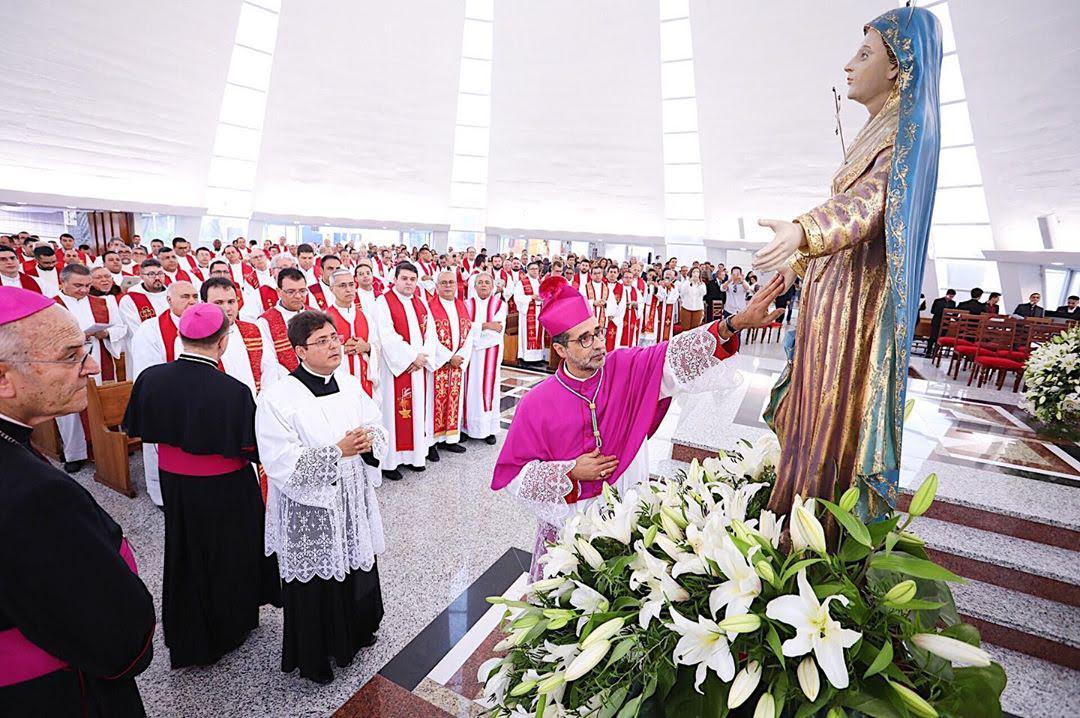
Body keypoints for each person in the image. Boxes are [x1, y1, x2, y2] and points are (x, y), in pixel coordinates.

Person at [754, 7, 942, 522]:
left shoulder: (908, 129)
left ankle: (822, 532)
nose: (848, 65)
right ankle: (794, 513)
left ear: (898, 66)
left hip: (855, 305)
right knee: (810, 410)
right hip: (833, 292)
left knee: (829, 414)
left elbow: (872, 203)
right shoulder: (879, 128)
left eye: (864, 55)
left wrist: (804, 229)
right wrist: (802, 262)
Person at [493, 276, 784, 577]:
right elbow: (513, 475)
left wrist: (734, 324)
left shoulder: (625, 367)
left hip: (630, 508)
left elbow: (675, 355)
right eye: (584, 339)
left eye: (597, 332)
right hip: (572, 522)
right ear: (561, 349)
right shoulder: (536, 404)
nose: (597, 344)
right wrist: (570, 471)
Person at [0, 287, 155, 717]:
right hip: (56, 692)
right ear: (3, 378)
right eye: (70, 356)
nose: (90, 366)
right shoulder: (35, 494)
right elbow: (118, 637)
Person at [124, 303, 279, 669]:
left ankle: (187, 633)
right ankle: (228, 628)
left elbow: (138, 427)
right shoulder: (233, 390)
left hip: (176, 484)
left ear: (181, 337)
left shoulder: (152, 378)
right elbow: (254, 448)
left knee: (185, 552)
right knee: (229, 554)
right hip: (226, 486)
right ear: (223, 343)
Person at [256, 310, 388, 684]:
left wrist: (368, 440)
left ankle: (357, 631)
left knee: (355, 563)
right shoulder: (278, 397)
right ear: (299, 350)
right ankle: (316, 654)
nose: (334, 345)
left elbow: (375, 422)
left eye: (334, 337)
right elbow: (280, 461)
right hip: (310, 505)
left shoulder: (347, 382)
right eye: (322, 341)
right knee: (317, 579)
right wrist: (336, 452)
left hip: (351, 496)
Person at [129, 281, 198, 508]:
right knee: (159, 448)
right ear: (169, 300)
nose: (191, 301)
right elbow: (148, 371)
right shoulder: (150, 330)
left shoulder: (200, 322)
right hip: (163, 399)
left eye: (195, 296)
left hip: (195, 399)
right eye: (185, 296)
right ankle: (159, 492)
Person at [53, 265, 126, 471]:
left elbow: (120, 327)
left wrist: (106, 334)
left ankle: (108, 444)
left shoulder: (103, 302)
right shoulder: (51, 306)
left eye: (87, 285)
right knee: (70, 408)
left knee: (102, 401)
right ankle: (74, 453)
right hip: (66, 364)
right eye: (78, 285)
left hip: (99, 356)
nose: (84, 290)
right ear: (63, 282)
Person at [372, 262, 440, 480]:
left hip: (417, 369)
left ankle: (415, 457)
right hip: (395, 370)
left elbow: (431, 333)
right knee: (394, 413)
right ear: (395, 279)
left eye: (412, 279)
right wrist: (411, 357)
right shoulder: (383, 302)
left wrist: (422, 358)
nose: (409, 283)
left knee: (416, 412)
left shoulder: (420, 302)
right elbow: (386, 335)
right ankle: (391, 463)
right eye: (405, 278)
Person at [426, 270, 474, 460]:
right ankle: (431, 444)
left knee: (453, 400)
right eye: (443, 283)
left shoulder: (461, 306)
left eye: (451, 282)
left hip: (456, 365)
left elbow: (468, 334)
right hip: (438, 365)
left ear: (456, 285)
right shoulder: (430, 307)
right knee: (433, 403)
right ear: (437, 286)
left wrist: (460, 356)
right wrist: (447, 357)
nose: (447, 286)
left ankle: (449, 439)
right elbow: (429, 337)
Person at [463, 272, 507, 444]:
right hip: (470, 356)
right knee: (469, 390)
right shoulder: (467, 304)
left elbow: (497, 332)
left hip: (489, 354)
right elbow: (464, 328)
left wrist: (476, 332)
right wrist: (484, 326)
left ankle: (488, 429)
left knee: (489, 392)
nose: (483, 285)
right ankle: (466, 428)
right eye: (479, 282)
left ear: (492, 286)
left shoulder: (499, 305)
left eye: (486, 282)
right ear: (474, 286)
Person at [325, 269, 378, 398]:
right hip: (338, 380)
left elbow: (377, 345)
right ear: (331, 289)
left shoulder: (366, 316)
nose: (348, 289)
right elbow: (318, 351)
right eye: (342, 286)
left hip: (364, 380)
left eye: (351, 284)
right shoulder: (324, 318)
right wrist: (342, 349)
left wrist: (367, 347)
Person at [257, 267, 310, 372]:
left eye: (302, 291)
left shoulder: (315, 315)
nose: (298, 296)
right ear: (279, 292)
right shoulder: (265, 322)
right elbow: (269, 362)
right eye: (291, 292)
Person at [117, 259, 170, 340]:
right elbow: (135, 330)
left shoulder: (172, 294)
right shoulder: (130, 299)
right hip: (146, 345)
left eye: (160, 273)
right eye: (151, 274)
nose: (157, 277)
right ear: (141, 276)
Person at [514, 261, 547, 365]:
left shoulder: (541, 282)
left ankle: (537, 358)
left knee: (538, 335)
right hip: (528, 312)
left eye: (536, 269)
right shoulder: (522, 282)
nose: (534, 271)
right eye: (532, 269)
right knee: (527, 335)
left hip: (539, 311)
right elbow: (517, 297)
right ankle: (526, 358)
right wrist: (531, 297)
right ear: (527, 270)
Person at [925, 289, 956, 357]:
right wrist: (942, 312)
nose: (950, 297)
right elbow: (932, 311)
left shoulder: (953, 303)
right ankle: (928, 351)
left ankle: (936, 352)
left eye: (952, 296)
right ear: (947, 294)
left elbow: (954, 313)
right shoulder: (938, 301)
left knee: (941, 338)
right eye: (950, 296)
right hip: (937, 320)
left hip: (946, 322)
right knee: (933, 337)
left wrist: (951, 314)